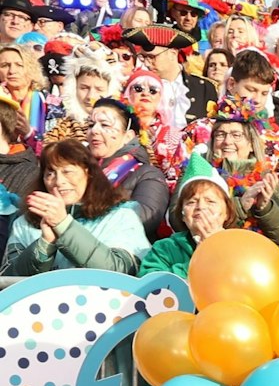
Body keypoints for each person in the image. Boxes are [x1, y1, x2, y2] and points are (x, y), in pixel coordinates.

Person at [1, 140, 149, 276]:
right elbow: (8, 280)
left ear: (88, 173)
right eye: (50, 173)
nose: (59, 181)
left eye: (67, 172)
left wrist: (64, 226)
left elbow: (121, 271)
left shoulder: (120, 217)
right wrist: (44, 244)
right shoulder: (25, 223)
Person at [140, 153, 246, 277]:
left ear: (227, 213)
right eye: (192, 202)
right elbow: (152, 287)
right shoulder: (164, 249)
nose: (200, 207)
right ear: (183, 215)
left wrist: (217, 250)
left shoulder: (243, 247)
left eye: (210, 201)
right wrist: (199, 260)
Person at [85, 96, 170, 236]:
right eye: (90, 125)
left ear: (128, 136)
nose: (94, 130)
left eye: (105, 125)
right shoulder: (76, 167)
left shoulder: (148, 175)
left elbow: (146, 218)